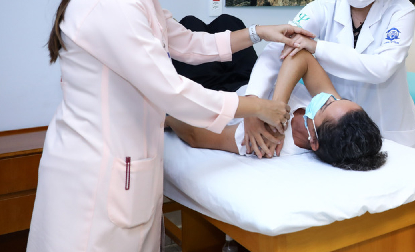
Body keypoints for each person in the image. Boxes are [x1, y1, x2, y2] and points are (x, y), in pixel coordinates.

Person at [24, 0, 313, 252]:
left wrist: (257, 32)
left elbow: (190, 43)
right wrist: (256, 106)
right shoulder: (111, 0)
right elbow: (171, 90)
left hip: (128, 161)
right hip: (96, 171)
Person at [242, 0, 415, 157]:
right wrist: (252, 103)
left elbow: (381, 68)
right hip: (340, 134)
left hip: (390, 127)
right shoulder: (324, 7)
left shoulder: (400, 11)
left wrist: (316, 47)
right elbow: (276, 51)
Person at [166, 49, 387, 171]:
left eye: (326, 105)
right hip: (254, 81)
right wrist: (273, 109)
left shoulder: (269, 142)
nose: (328, 98)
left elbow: (196, 136)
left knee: (189, 27)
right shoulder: (335, 111)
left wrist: (167, 119)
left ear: (314, 141)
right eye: (338, 99)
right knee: (228, 22)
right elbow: (301, 57)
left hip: (217, 89)